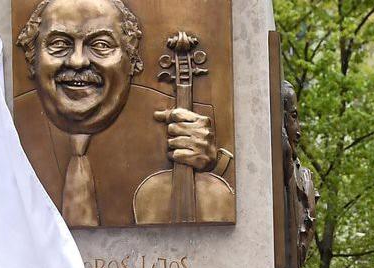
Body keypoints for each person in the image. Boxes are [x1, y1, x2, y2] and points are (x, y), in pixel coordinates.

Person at [13, 0, 229, 226]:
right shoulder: (3, 121)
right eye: (59, 44)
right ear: (32, 55)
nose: (77, 61)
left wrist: (208, 169)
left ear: (132, 58)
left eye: (101, 45)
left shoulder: (187, 120)